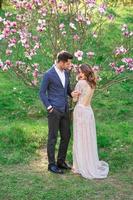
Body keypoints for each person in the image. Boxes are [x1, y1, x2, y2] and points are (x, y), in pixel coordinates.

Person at [39, 51, 80, 174]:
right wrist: (49, 107)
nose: (69, 65)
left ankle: (60, 162)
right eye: (68, 63)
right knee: (52, 138)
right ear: (61, 62)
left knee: (66, 136)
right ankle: (51, 165)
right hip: (54, 111)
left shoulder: (66, 73)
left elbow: (67, 90)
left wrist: (72, 93)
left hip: (65, 110)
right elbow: (41, 92)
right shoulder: (48, 74)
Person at [72, 64, 109, 179]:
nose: (79, 74)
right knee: (88, 137)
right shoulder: (92, 84)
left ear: (84, 72)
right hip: (88, 111)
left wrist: (73, 95)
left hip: (80, 111)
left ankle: (79, 166)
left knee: (80, 137)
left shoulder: (80, 83)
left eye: (80, 72)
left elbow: (75, 100)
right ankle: (89, 162)